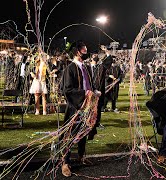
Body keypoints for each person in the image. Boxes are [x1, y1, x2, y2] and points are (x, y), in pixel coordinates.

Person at [60, 41, 101, 177]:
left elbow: (89, 84)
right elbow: (67, 89)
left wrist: (95, 91)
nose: (86, 51)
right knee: (69, 135)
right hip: (75, 107)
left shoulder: (86, 67)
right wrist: (85, 94)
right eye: (84, 49)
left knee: (84, 131)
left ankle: (81, 156)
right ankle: (65, 162)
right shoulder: (70, 68)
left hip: (87, 106)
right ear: (77, 52)